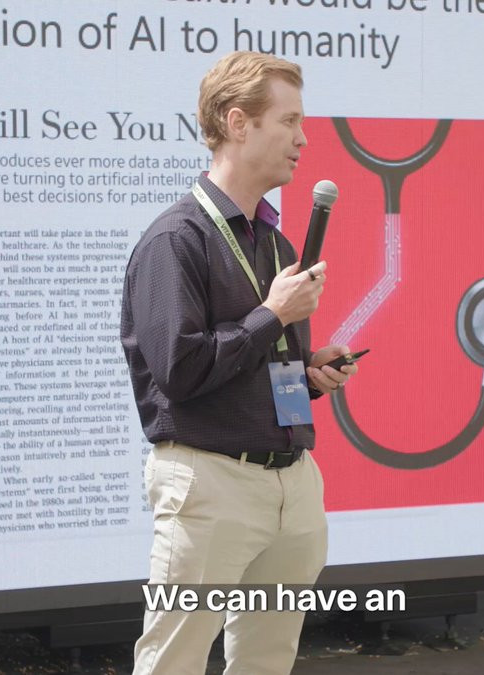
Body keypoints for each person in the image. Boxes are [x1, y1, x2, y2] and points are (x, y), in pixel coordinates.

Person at [120, 51, 357, 675]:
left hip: (291, 483)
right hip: (211, 481)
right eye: (289, 121)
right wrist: (271, 316)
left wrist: (310, 372)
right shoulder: (176, 240)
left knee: (267, 662)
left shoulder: (275, 242)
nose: (303, 139)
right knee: (173, 663)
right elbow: (180, 370)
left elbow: (260, 361)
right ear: (238, 123)